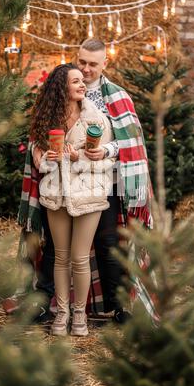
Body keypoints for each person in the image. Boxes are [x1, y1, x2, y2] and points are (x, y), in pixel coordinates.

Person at [18, 38, 154, 324]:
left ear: (105, 63)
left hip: (99, 183)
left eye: (93, 64)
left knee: (107, 242)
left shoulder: (115, 98)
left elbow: (129, 143)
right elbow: (38, 140)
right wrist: (49, 158)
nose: (87, 69)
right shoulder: (55, 94)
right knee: (55, 247)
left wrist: (105, 150)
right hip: (59, 185)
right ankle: (44, 303)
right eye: (82, 62)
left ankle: (118, 307)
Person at [30, 63, 114, 336]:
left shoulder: (95, 119)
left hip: (89, 193)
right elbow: (39, 161)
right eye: (75, 81)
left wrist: (81, 158)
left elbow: (107, 160)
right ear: (61, 87)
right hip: (56, 194)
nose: (82, 85)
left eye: (82, 81)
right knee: (60, 257)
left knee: (80, 258)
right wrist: (50, 160)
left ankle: (79, 314)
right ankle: (61, 313)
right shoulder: (46, 120)